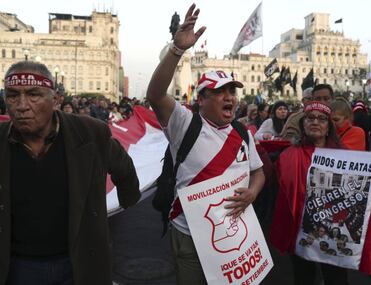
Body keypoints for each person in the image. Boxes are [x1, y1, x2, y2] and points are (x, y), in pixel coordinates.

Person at [146, 4, 265, 284]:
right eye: (220, 92)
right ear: (201, 99)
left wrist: (253, 193)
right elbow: (154, 94)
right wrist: (177, 50)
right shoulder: (184, 124)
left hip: (237, 232)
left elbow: (258, 172)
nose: (230, 98)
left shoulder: (243, 133)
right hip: (188, 236)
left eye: (232, 92)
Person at [0, 61, 140, 285]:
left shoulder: (90, 133)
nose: (22, 105)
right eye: (13, 96)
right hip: (17, 266)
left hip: (78, 262)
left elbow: (124, 168)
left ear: (55, 100)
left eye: (34, 94)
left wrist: (128, 200)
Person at [271, 101, 348, 285]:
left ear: (329, 127)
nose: (315, 122)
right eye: (310, 118)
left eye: (321, 119)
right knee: (303, 278)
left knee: (336, 279)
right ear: (303, 124)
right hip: (301, 231)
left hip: (333, 232)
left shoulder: (345, 155)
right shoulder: (289, 155)